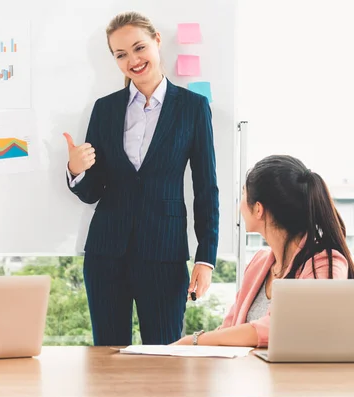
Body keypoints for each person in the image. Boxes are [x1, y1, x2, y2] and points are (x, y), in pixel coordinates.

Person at [63, 11, 219, 345]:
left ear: (157, 42)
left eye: (139, 48)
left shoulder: (193, 107)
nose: (133, 60)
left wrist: (205, 258)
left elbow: (206, 188)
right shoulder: (105, 109)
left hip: (164, 255)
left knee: (164, 361)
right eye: (121, 54)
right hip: (106, 255)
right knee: (106, 360)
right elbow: (94, 192)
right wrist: (77, 170)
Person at [172, 155, 354, 347]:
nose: (240, 205)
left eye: (243, 195)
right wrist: (191, 347)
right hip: (244, 375)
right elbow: (228, 330)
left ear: (258, 209)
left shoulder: (326, 263)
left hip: (296, 377)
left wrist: (195, 340)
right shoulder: (259, 264)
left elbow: (286, 326)